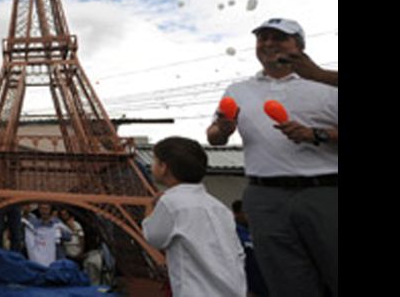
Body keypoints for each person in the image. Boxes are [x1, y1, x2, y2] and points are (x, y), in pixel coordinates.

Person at [207, 18, 338, 296]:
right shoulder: (238, 91)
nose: (268, 43)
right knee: (286, 281)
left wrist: (317, 135)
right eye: (262, 38)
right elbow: (214, 136)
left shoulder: (327, 84)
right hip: (264, 197)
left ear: (299, 46)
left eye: (278, 38)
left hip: (325, 192)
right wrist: (223, 129)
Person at [141, 137, 246, 297]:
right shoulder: (218, 207)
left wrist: (149, 208)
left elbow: (153, 237)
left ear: (163, 167)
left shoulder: (170, 202)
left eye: (155, 161)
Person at [232, 200, 269, 297]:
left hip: (264, 282)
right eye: (246, 213)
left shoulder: (256, 230)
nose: (249, 216)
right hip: (249, 284)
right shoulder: (234, 233)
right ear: (237, 214)